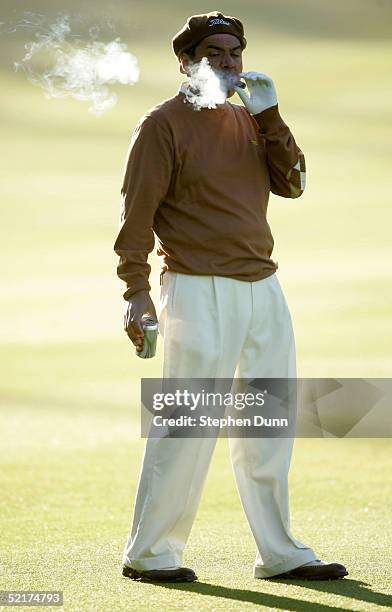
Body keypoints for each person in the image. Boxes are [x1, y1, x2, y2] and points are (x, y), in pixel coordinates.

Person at [114, 11, 348, 583]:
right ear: (186, 61)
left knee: (268, 423)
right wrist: (136, 293)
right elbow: (136, 216)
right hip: (195, 288)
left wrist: (270, 116)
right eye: (213, 51)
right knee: (186, 426)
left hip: (263, 286)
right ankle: (151, 554)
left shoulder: (251, 119)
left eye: (234, 51)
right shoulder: (161, 125)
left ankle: (280, 552)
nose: (227, 61)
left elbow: (293, 184)